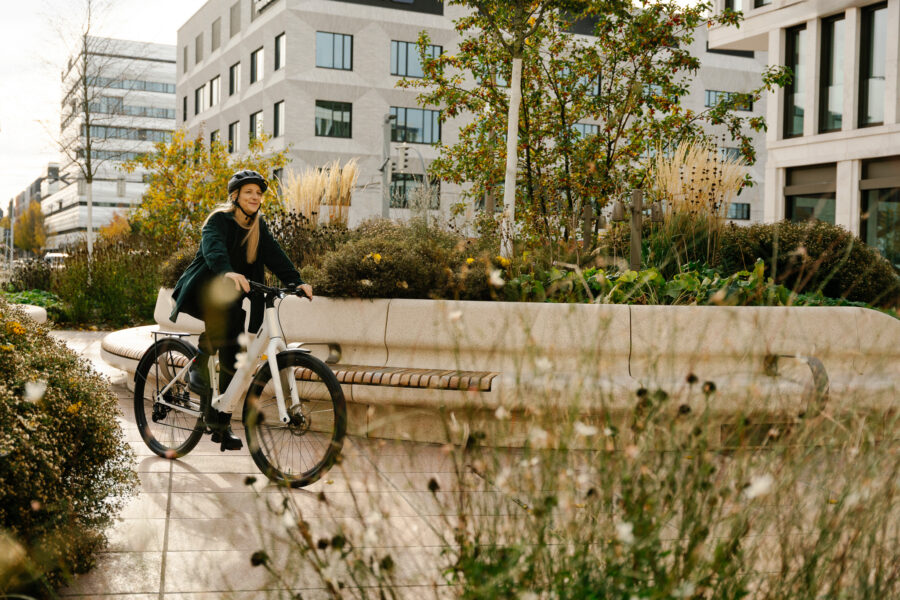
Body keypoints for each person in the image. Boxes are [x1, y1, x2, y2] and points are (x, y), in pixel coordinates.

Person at [169, 169, 313, 451]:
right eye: (249, 192)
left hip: (233, 295)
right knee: (222, 320)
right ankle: (198, 365)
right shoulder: (218, 220)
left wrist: (297, 281)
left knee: (233, 357)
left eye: (259, 193)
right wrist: (227, 271)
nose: (255, 197)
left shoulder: (258, 227)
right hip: (205, 286)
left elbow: (276, 256)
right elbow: (214, 250)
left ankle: (219, 424)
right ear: (235, 196)